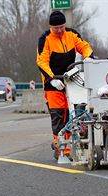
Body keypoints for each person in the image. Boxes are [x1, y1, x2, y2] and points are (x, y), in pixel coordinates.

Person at [37, 11, 94, 159]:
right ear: (51, 27)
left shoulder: (72, 34)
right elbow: (42, 62)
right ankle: (61, 146)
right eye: (56, 28)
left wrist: (88, 57)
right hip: (53, 83)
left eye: (62, 27)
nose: (60, 30)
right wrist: (52, 80)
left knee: (73, 113)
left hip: (71, 80)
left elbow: (84, 46)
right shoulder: (45, 39)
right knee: (58, 115)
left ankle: (72, 142)